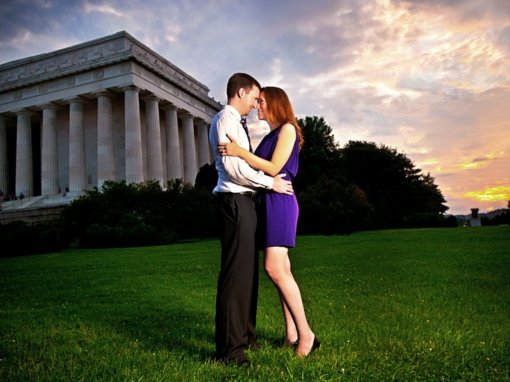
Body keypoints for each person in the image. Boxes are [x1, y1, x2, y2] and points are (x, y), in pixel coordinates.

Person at [219, 86, 320, 358]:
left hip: (280, 201)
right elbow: (258, 170)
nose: (257, 106)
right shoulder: (271, 133)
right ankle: (291, 334)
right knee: (281, 271)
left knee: (275, 269)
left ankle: (306, 334)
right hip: (268, 201)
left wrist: (239, 152)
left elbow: (274, 168)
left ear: (275, 103)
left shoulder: (287, 129)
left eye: (262, 102)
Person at [209, 73, 294, 366]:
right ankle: (231, 351)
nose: (256, 104)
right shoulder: (225, 120)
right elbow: (234, 170)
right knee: (235, 278)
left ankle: (246, 338)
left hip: (246, 203)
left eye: (261, 100)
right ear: (241, 92)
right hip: (234, 202)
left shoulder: (238, 123)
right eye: (254, 97)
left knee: (248, 277)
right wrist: (270, 184)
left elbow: (245, 161)